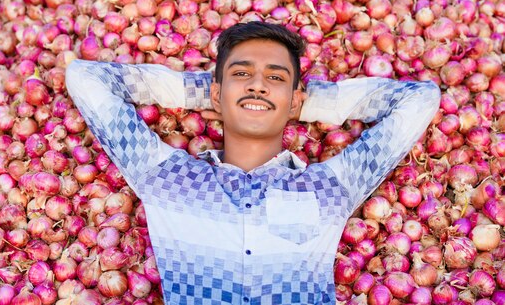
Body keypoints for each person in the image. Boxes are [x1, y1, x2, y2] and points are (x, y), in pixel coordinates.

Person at [65, 21, 441, 305]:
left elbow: (419, 99)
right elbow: (86, 77)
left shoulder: (331, 187)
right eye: (241, 74)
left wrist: (300, 99)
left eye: (275, 78)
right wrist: (216, 94)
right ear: (216, 93)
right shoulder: (167, 178)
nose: (258, 85)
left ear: (296, 100)